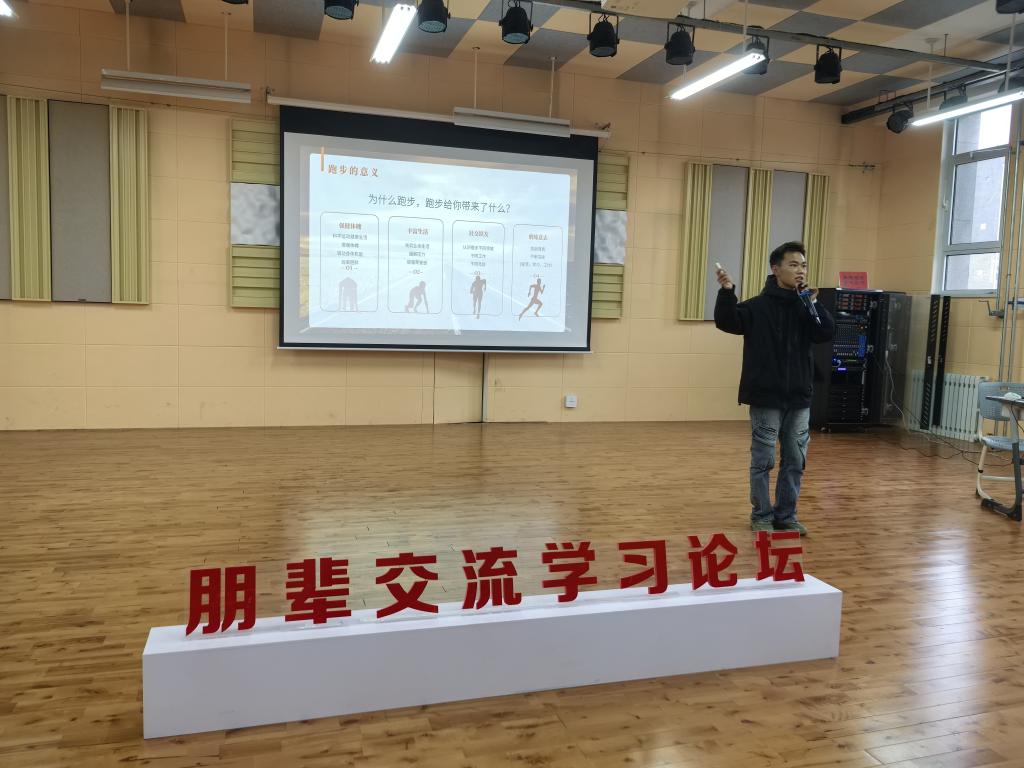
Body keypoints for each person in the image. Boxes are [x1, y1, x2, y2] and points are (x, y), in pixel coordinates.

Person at [713, 242, 835, 536]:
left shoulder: (806, 306)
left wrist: (813, 303)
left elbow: (825, 332)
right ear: (776, 269)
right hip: (766, 396)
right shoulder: (757, 306)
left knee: (795, 460)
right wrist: (727, 292)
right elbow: (727, 321)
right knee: (763, 460)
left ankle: (786, 515)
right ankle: (762, 515)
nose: (800, 270)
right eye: (793, 265)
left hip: (799, 397)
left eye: (803, 265)